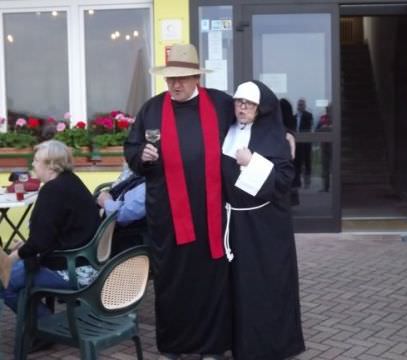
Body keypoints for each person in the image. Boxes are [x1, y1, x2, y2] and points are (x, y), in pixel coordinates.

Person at [124, 43, 233, 359]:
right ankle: (175, 346)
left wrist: (286, 136)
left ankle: (212, 346)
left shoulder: (221, 105)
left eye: (182, 77)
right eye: (170, 77)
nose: (175, 84)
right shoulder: (152, 109)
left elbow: (257, 116)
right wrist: (141, 157)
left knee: (213, 283)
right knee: (173, 283)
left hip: (213, 215)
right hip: (168, 218)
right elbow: (131, 150)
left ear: (197, 76)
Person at [222, 81, 305, 360]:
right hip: (234, 222)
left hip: (266, 225)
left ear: (262, 109)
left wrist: (251, 162)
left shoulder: (276, 136)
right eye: (239, 102)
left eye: (249, 104)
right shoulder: (228, 130)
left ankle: (271, 345)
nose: (242, 107)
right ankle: (240, 342)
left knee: (267, 284)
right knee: (238, 286)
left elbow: (284, 180)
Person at [0, 140, 100, 321]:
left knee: (4, 281)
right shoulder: (71, 181)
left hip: (71, 269)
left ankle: (44, 326)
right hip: (86, 263)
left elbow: (40, 242)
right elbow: (54, 232)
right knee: (15, 269)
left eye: (36, 160)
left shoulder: (53, 190)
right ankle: (42, 323)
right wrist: (27, 245)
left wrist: (11, 258)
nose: (32, 164)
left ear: (51, 166)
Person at [96, 171, 146, 255]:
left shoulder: (149, 186)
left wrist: (105, 201)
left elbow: (120, 216)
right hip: (112, 236)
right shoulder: (138, 175)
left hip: (127, 248)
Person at [294, 98, 313, 188]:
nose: (300, 106)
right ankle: (297, 181)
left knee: (307, 161)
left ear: (304, 106)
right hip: (297, 143)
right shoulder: (294, 116)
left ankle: (307, 182)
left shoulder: (308, 116)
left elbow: (308, 127)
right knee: (297, 162)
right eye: (299, 104)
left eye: (301, 104)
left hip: (305, 143)